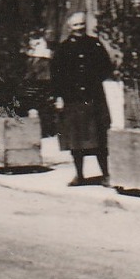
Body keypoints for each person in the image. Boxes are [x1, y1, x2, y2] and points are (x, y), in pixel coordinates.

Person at [50, 11, 114, 186]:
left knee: (100, 139)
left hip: (94, 98)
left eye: (82, 24)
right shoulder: (63, 49)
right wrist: (59, 97)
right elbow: (56, 75)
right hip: (73, 99)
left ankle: (106, 175)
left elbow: (107, 67)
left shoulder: (94, 44)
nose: (79, 28)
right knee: (76, 140)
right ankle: (80, 175)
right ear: (70, 28)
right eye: (76, 25)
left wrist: (92, 79)